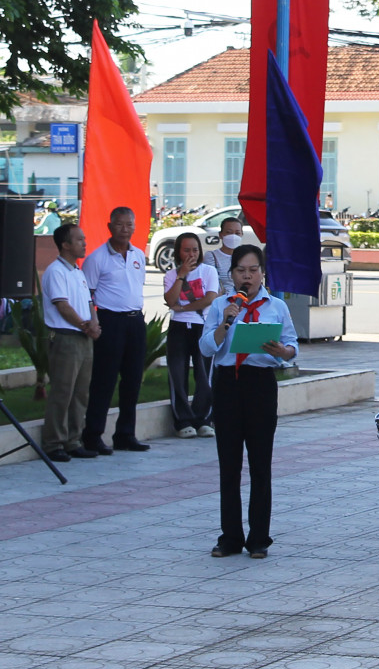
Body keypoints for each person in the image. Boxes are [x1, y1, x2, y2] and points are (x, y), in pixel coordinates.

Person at [202, 243, 298, 558]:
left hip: (260, 385)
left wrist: (283, 352)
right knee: (229, 465)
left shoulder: (276, 306)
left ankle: (258, 538)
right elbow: (205, 348)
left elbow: (291, 346)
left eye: (253, 270)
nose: (247, 276)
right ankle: (230, 536)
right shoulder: (220, 306)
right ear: (231, 275)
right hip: (228, 384)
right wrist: (223, 326)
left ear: (262, 273)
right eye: (241, 270)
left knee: (260, 464)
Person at [81, 206, 151, 455]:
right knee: (104, 380)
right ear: (110, 227)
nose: (125, 229)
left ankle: (125, 434)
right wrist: (93, 321)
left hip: (135, 321)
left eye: (129, 225)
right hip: (110, 322)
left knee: (132, 380)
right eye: (120, 224)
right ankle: (92, 435)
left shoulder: (139, 255)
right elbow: (87, 293)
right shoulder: (97, 258)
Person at [40, 223, 100, 463]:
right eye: (79, 240)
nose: (84, 243)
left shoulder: (78, 271)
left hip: (83, 338)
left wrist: (94, 324)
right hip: (65, 337)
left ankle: (74, 441)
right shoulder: (56, 271)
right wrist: (85, 325)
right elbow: (62, 305)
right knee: (63, 392)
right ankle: (53, 443)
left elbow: (87, 303)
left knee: (81, 393)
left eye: (84, 239)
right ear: (65, 244)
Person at [163, 232, 219, 439]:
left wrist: (183, 307)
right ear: (178, 252)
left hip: (202, 326)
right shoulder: (171, 275)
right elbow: (170, 300)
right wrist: (182, 275)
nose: (191, 254)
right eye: (186, 250)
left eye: (195, 249)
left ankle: (203, 419)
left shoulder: (209, 271)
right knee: (177, 373)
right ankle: (183, 421)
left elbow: (210, 298)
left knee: (204, 374)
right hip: (178, 327)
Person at [212, 215, 244, 296]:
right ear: (220, 235)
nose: (233, 236)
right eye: (228, 232)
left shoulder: (247, 256)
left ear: (242, 234)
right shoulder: (212, 256)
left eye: (237, 233)